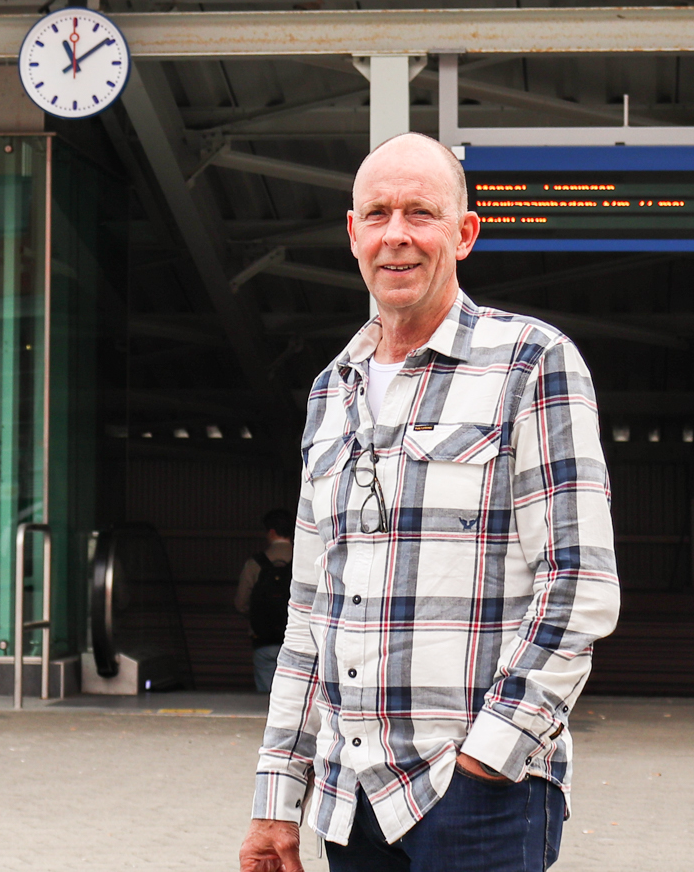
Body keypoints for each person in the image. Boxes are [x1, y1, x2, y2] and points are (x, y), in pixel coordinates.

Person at [238, 134, 620, 872]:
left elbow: (577, 584)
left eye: (421, 212)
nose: (397, 234)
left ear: (464, 232)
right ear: (353, 234)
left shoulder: (532, 363)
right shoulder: (331, 389)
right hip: (352, 801)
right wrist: (276, 798)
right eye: (377, 213)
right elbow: (310, 612)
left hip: (479, 793)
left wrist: (488, 758)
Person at [233, 508, 296, 692]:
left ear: (271, 532)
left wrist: (257, 615)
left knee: (266, 699)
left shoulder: (255, 564)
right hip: (298, 641)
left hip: (264, 641)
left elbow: (241, 603)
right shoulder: (303, 562)